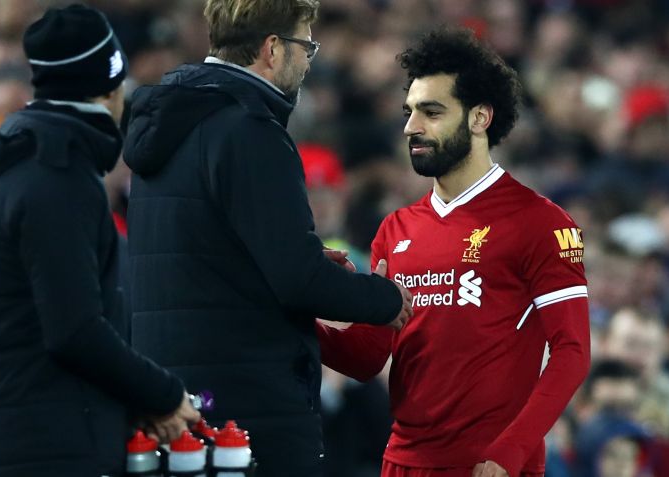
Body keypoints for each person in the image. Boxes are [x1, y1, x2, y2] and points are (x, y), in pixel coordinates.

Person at [122, 0, 412, 475]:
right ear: (272, 48)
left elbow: (207, 258)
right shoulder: (249, 129)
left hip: (177, 402)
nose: (308, 61)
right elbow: (297, 279)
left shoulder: (169, 129)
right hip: (249, 406)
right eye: (306, 47)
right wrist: (384, 298)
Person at [317, 28, 591, 477]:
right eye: (409, 112)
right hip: (402, 463)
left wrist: (510, 452)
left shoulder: (543, 222)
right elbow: (367, 357)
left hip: (490, 466)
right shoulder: (395, 229)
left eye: (431, 112)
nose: (411, 127)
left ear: (480, 117)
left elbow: (572, 352)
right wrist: (301, 311)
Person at [0, 5, 198, 477]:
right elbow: (74, 330)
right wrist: (164, 394)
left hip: (19, 435)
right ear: (109, 88)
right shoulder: (56, 178)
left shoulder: (23, 162)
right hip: (45, 444)